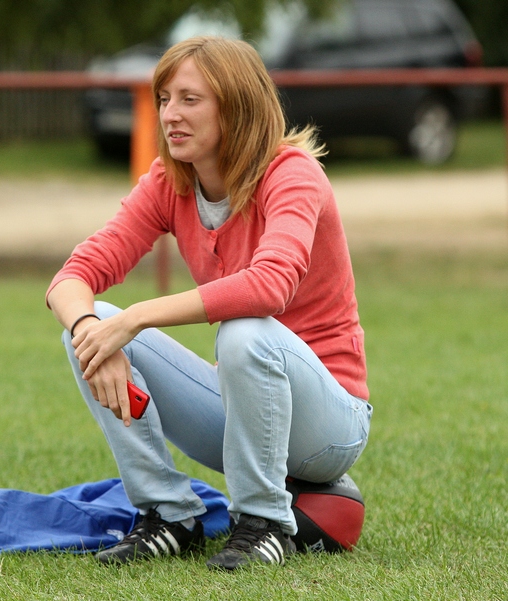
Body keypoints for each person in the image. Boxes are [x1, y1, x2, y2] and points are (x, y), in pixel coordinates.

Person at [45, 35, 372, 571]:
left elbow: (268, 287)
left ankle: (264, 524)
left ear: (237, 106)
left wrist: (136, 318)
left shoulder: (292, 174)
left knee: (243, 331)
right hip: (243, 413)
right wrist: (95, 330)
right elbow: (72, 277)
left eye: (190, 99)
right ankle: (169, 515)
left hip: (331, 426)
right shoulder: (168, 182)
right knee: (88, 327)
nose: (170, 115)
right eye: (165, 99)